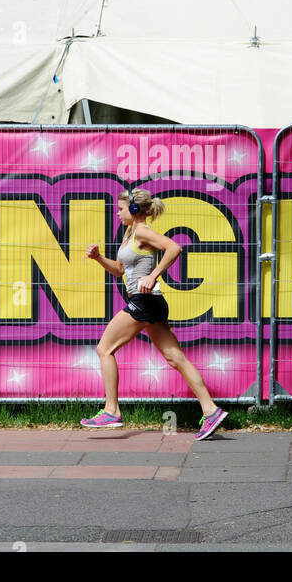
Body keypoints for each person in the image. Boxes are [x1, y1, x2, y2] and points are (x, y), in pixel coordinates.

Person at [82, 188, 227, 440]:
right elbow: (119, 270)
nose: (117, 213)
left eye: (121, 208)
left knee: (104, 349)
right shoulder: (130, 234)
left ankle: (111, 410)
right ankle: (211, 410)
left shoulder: (142, 231)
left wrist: (152, 275)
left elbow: (174, 248)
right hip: (152, 302)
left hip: (144, 302)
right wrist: (98, 258)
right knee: (175, 358)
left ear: (134, 209)